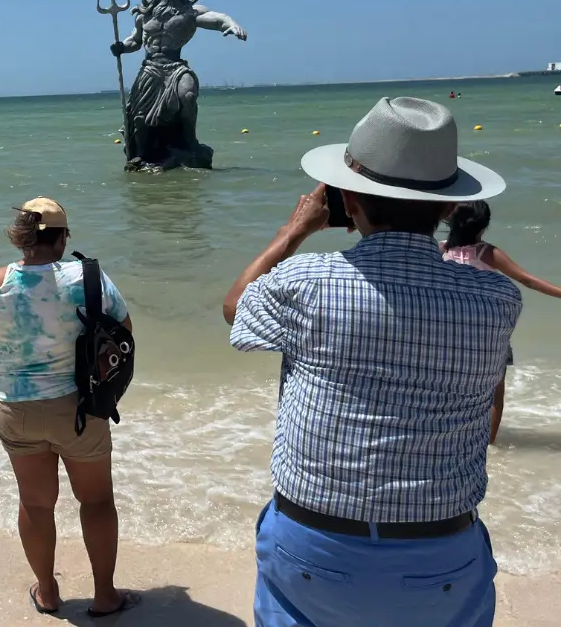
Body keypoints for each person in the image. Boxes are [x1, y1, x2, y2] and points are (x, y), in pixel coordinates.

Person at [223, 97, 520, 627]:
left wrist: (294, 231)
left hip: (313, 543)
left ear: (347, 199)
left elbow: (236, 307)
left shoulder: (305, 283)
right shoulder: (496, 299)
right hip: (441, 550)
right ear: (451, 207)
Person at [0, 198, 136, 618]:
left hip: (16, 407)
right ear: (61, 237)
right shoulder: (87, 277)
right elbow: (124, 333)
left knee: (36, 503)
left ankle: (47, 592)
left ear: (22, 237)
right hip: (79, 406)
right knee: (96, 501)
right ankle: (104, 596)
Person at [442, 200, 561, 443]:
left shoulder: (441, 250)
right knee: (495, 391)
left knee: (453, 387)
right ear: (483, 228)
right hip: (488, 332)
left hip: (451, 333)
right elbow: (528, 280)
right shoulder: (485, 252)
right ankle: (489, 442)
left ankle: (451, 434)